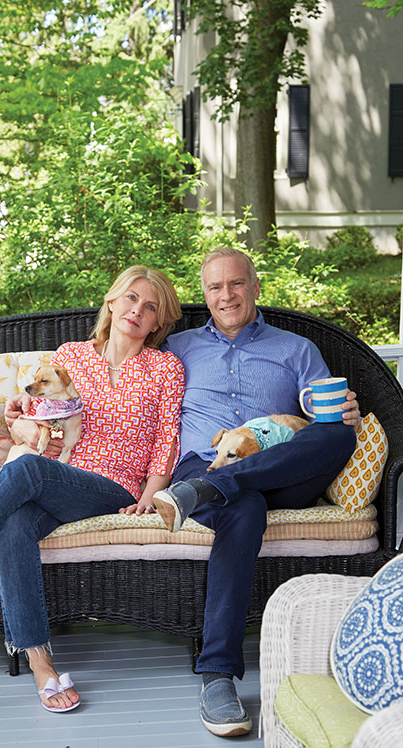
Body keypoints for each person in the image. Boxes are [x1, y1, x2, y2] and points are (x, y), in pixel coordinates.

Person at [0, 265, 185, 714]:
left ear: (159, 321)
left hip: (114, 487)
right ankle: (41, 664)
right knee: (15, 524)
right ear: (111, 302)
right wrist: (19, 414)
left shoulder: (165, 367)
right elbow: (32, 415)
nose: (136, 311)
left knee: (27, 472)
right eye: (130, 298)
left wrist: (153, 492)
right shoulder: (72, 357)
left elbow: (167, 437)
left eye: (150, 307)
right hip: (60, 474)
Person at [151, 248, 360, 738]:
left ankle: (207, 489)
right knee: (241, 510)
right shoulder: (176, 349)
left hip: (280, 474)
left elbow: (320, 409)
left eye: (236, 284)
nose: (227, 296)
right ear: (204, 295)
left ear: (255, 286)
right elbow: (117, 389)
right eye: (215, 287)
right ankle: (217, 676)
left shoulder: (296, 348)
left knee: (338, 434)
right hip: (202, 463)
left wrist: (341, 408)